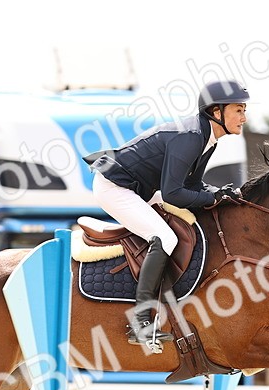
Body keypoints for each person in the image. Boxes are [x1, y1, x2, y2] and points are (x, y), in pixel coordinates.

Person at [84, 79, 249, 346]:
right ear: (216, 112)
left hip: (142, 189)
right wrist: (211, 196)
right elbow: (173, 194)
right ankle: (140, 322)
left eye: (244, 110)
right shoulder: (192, 138)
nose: (244, 117)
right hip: (115, 187)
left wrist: (220, 193)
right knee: (165, 238)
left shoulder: (207, 139)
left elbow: (192, 186)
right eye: (238, 110)